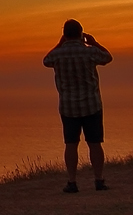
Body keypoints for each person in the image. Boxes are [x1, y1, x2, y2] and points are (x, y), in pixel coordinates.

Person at [43, 20, 112, 192]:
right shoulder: (89, 52)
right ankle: (99, 180)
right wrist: (94, 42)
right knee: (95, 143)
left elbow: (46, 60)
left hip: (68, 107)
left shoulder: (58, 54)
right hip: (91, 104)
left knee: (71, 144)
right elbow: (107, 57)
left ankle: (72, 182)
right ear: (81, 33)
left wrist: (60, 44)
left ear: (65, 34)